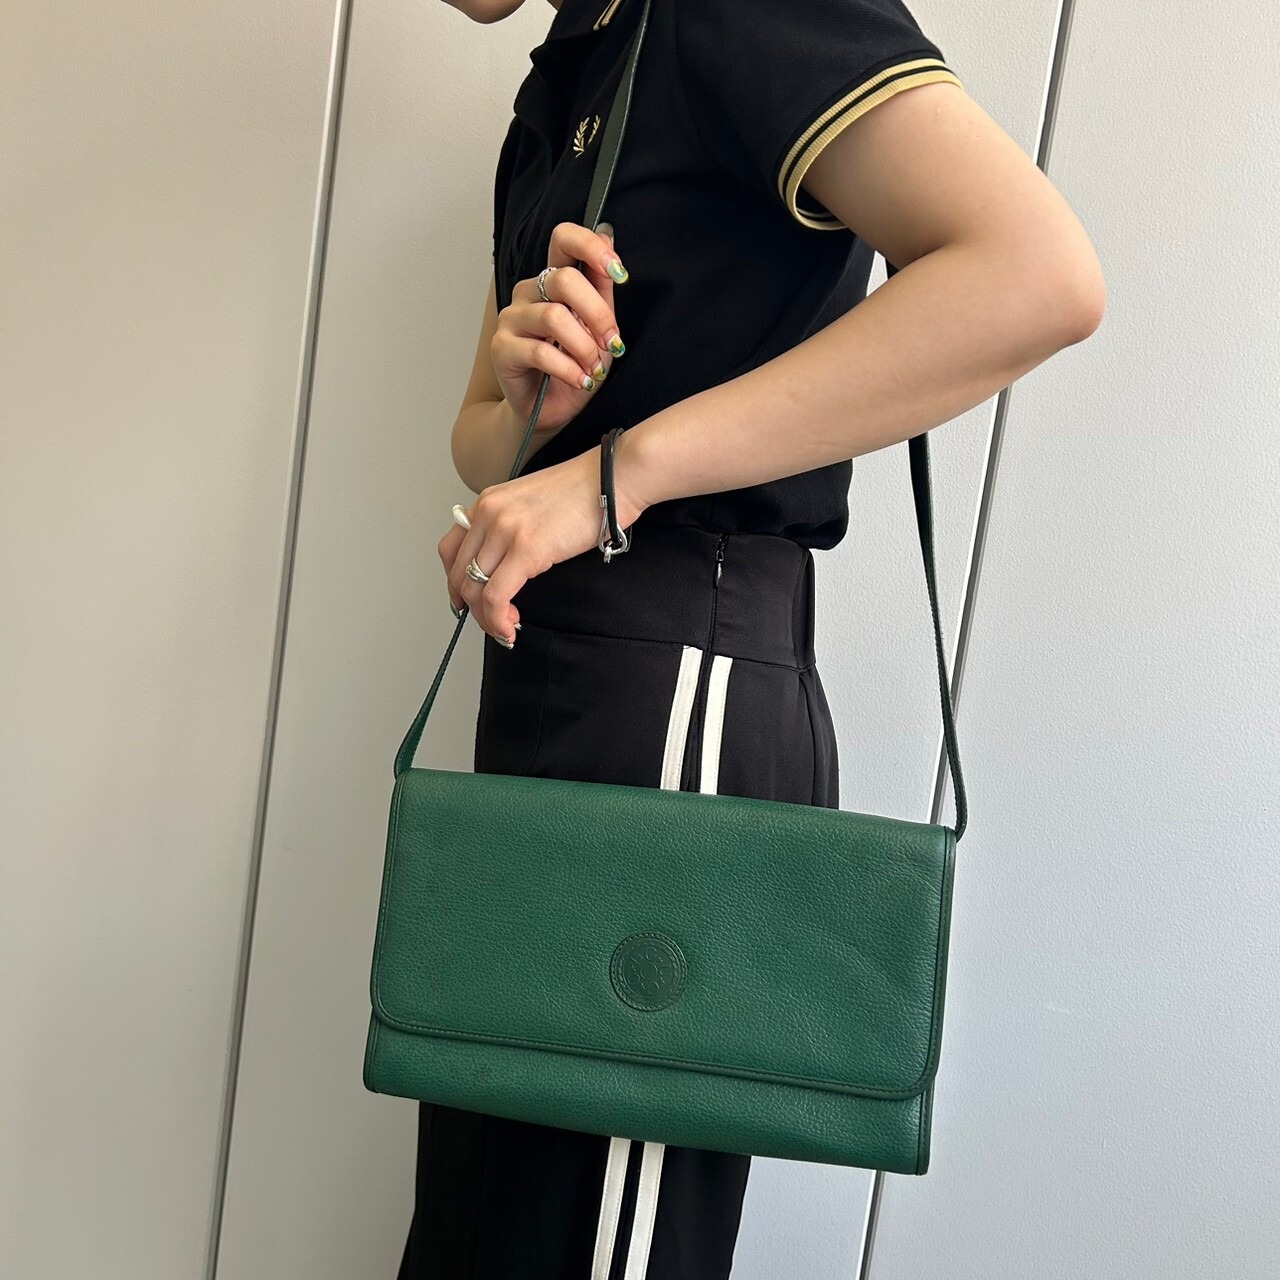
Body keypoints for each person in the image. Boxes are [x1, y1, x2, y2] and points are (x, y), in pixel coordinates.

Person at [400, 0, 1105, 1276]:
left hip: (678, 682)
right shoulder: (564, 78)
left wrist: (612, 475)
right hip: (556, 669)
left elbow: (1035, 274)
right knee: (485, 1228)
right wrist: (524, 402)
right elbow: (477, 435)